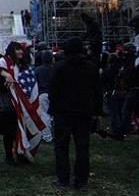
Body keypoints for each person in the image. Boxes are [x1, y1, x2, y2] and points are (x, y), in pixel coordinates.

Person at [48, 37, 102, 191]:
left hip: (63, 113)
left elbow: (53, 91)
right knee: (82, 147)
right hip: (84, 112)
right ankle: (81, 179)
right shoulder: (91, 67)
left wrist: (53, 109)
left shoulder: (59, 67)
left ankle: (63, 179)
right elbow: (97, 91)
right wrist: (97, 112)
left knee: (61, 146)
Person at [0, 41, 45, 165]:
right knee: (9, 131)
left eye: (21, 49)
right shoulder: (4, 62)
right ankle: (9, 156)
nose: (20, 51)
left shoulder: (23, 65)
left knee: (23, 129)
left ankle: (21, 153)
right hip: (9, 104)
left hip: (23, 103)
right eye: (17, 49)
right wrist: (7, 74)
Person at [34, 50, 54, 142]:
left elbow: (35, 83)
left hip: (42, 93)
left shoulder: (38, 69)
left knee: (44, 115)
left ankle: (47, 136)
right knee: (54, 115)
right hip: (54, 93)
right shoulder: (55, 68)